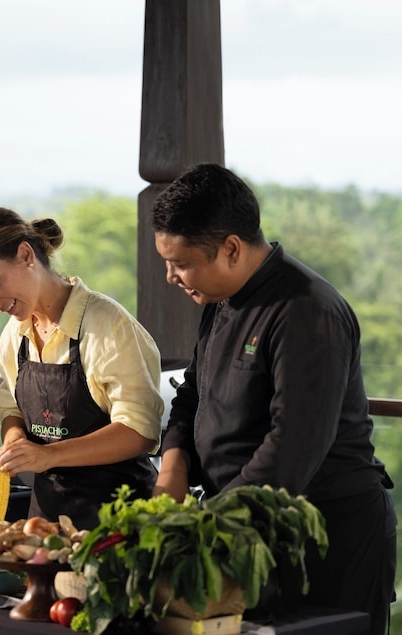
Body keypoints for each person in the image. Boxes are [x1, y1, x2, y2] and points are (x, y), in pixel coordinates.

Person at [151, 162, 396, 632]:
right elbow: (192, 392)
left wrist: (201, 528)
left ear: (231, 249)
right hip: (247, 528)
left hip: (325, 537)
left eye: (180, 263)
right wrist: (174, 465)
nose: (170, 277)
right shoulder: (220, 298)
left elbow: (292, 448)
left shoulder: (308, 311)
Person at [0, 207, 164, 530]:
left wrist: (48, 455)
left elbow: (140, 432)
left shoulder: (108, 326)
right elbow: (11, 410)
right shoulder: (13, 337)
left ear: (25, 255)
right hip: (45, 527)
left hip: (118, 524)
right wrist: (15, 441)